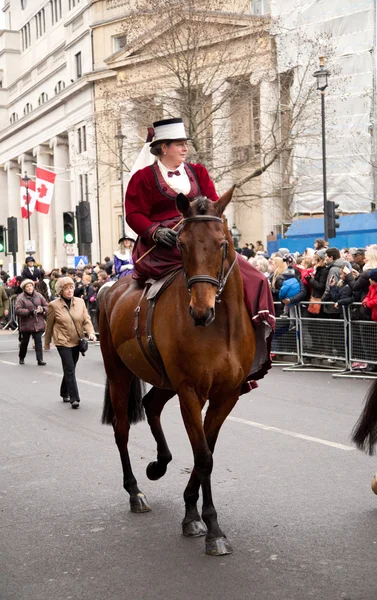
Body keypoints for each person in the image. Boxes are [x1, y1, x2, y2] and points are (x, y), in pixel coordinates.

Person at [124, 117, 275, 386]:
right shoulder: (142, 178)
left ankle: (250, 343)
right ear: (162, 147)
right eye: (179, 144)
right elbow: (134, 214)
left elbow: (213, 206)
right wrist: (154, 231)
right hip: (164, 244)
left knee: (258, 278)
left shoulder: (199, 172)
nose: (184, 149)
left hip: (200, 240)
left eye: (185, 144)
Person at [44, 277, 96, 409]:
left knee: (70, 368)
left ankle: (64, 391)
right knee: (69, 368)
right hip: (62, 341)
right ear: (60, 291)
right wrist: (47, 342)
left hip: (77, 340)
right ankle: (74, 398)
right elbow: (49, 325)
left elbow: (86, 320)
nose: (69, 291)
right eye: (66, 288)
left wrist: (90, 332)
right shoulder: (53, 305)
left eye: (71, 287)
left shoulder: (80, 302)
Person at [14, 279, 48, 365]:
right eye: (27, 286)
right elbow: (18, 310)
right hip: (26, 323)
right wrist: (29, 312)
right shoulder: (21, 297)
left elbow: (46, 305)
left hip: (37, 322)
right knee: (24, 342)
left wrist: (43, 309)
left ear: (33, 286)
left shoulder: (39, 295)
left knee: (38, 341)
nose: (29, 288)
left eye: (30, 286)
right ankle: (21, 357)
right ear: (24, 288)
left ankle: (40, 359)